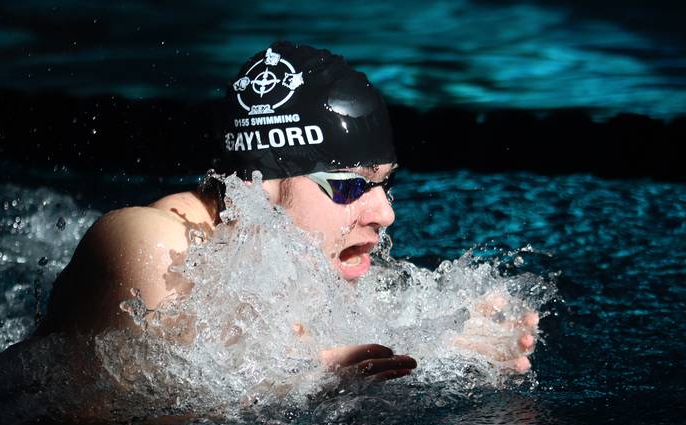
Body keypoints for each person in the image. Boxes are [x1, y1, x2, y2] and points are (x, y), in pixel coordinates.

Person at [34, 42, 537, 379]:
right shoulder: (145, 241)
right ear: (261, 184)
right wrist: (318, 378)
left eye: (386, 184)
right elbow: (121, 416)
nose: (384, 214)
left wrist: (444, 340)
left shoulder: (302, 262)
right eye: (350, 187)